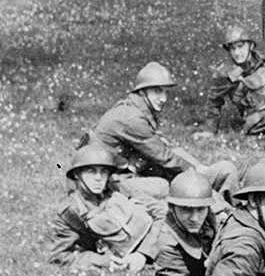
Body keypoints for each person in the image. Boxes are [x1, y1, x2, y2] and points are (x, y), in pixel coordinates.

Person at [88, 62, 236, 199]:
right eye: (157, 91)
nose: (163, 98)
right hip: (107, 182)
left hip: (123, 172)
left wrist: (197, 168)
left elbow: (161, 149)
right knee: (163, 187)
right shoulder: (132, 118)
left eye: (165, 92)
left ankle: (214, 192)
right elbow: (164, 157)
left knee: (206, 167)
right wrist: (196, 174)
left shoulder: (135, 108)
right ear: (142, 91)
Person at [49, 143, 165, 270]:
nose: (98, 178)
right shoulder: (70, 211)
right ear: (77, 174)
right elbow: (59, 256)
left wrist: (143, 254)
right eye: (91, 171)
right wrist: (104, 261)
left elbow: (161, 212)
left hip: (150, 243)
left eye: (103, 172)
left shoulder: (118, 189)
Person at [155, 171, 220, 276]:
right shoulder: (168, 243)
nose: (195, 218)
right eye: (186, 210)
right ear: (172, 207)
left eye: (201, 209)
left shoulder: (217, 221)